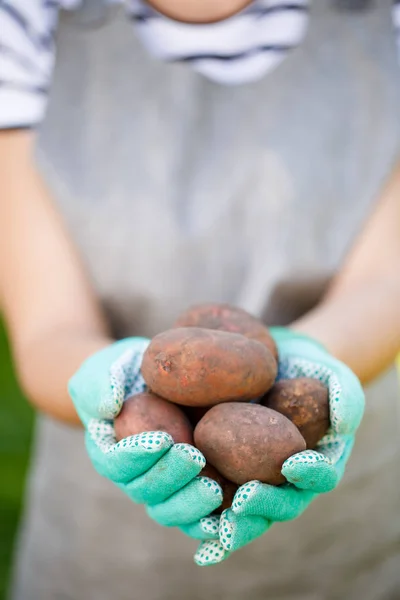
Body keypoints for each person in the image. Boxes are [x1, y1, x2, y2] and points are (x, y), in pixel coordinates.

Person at [1, 0, 399, 598]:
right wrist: (108, 384)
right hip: (102, 555)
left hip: (348, 534)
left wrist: (315, 358)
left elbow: (387, 281)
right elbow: (45, 328)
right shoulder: (26, 16)